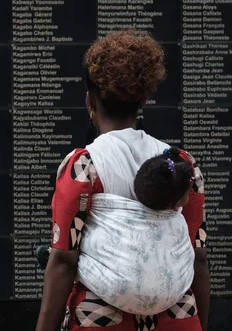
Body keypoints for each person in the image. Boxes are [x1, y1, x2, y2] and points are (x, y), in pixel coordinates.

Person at [35, 30, 209, 331]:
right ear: (142, 99)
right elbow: (199, 256)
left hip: (103, 320)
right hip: (178, 317)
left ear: (90, 101)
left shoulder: (84, 166)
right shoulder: (182, 165)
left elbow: (63, 261)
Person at [74, 146, 198, 317]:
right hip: (173, 297)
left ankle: (50, 254)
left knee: (79, 257)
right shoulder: (178, 222)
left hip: (112, 291)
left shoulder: (110, 204)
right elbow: (198, 257)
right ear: (177, 202)